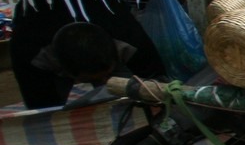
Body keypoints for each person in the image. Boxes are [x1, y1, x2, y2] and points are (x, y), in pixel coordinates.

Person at [23, 21, 165, 109]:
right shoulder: (31, 54)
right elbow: (41, 110)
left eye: (107, 75)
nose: (105, 83)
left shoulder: (132, 41)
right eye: (92, 80)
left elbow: (158, 86)